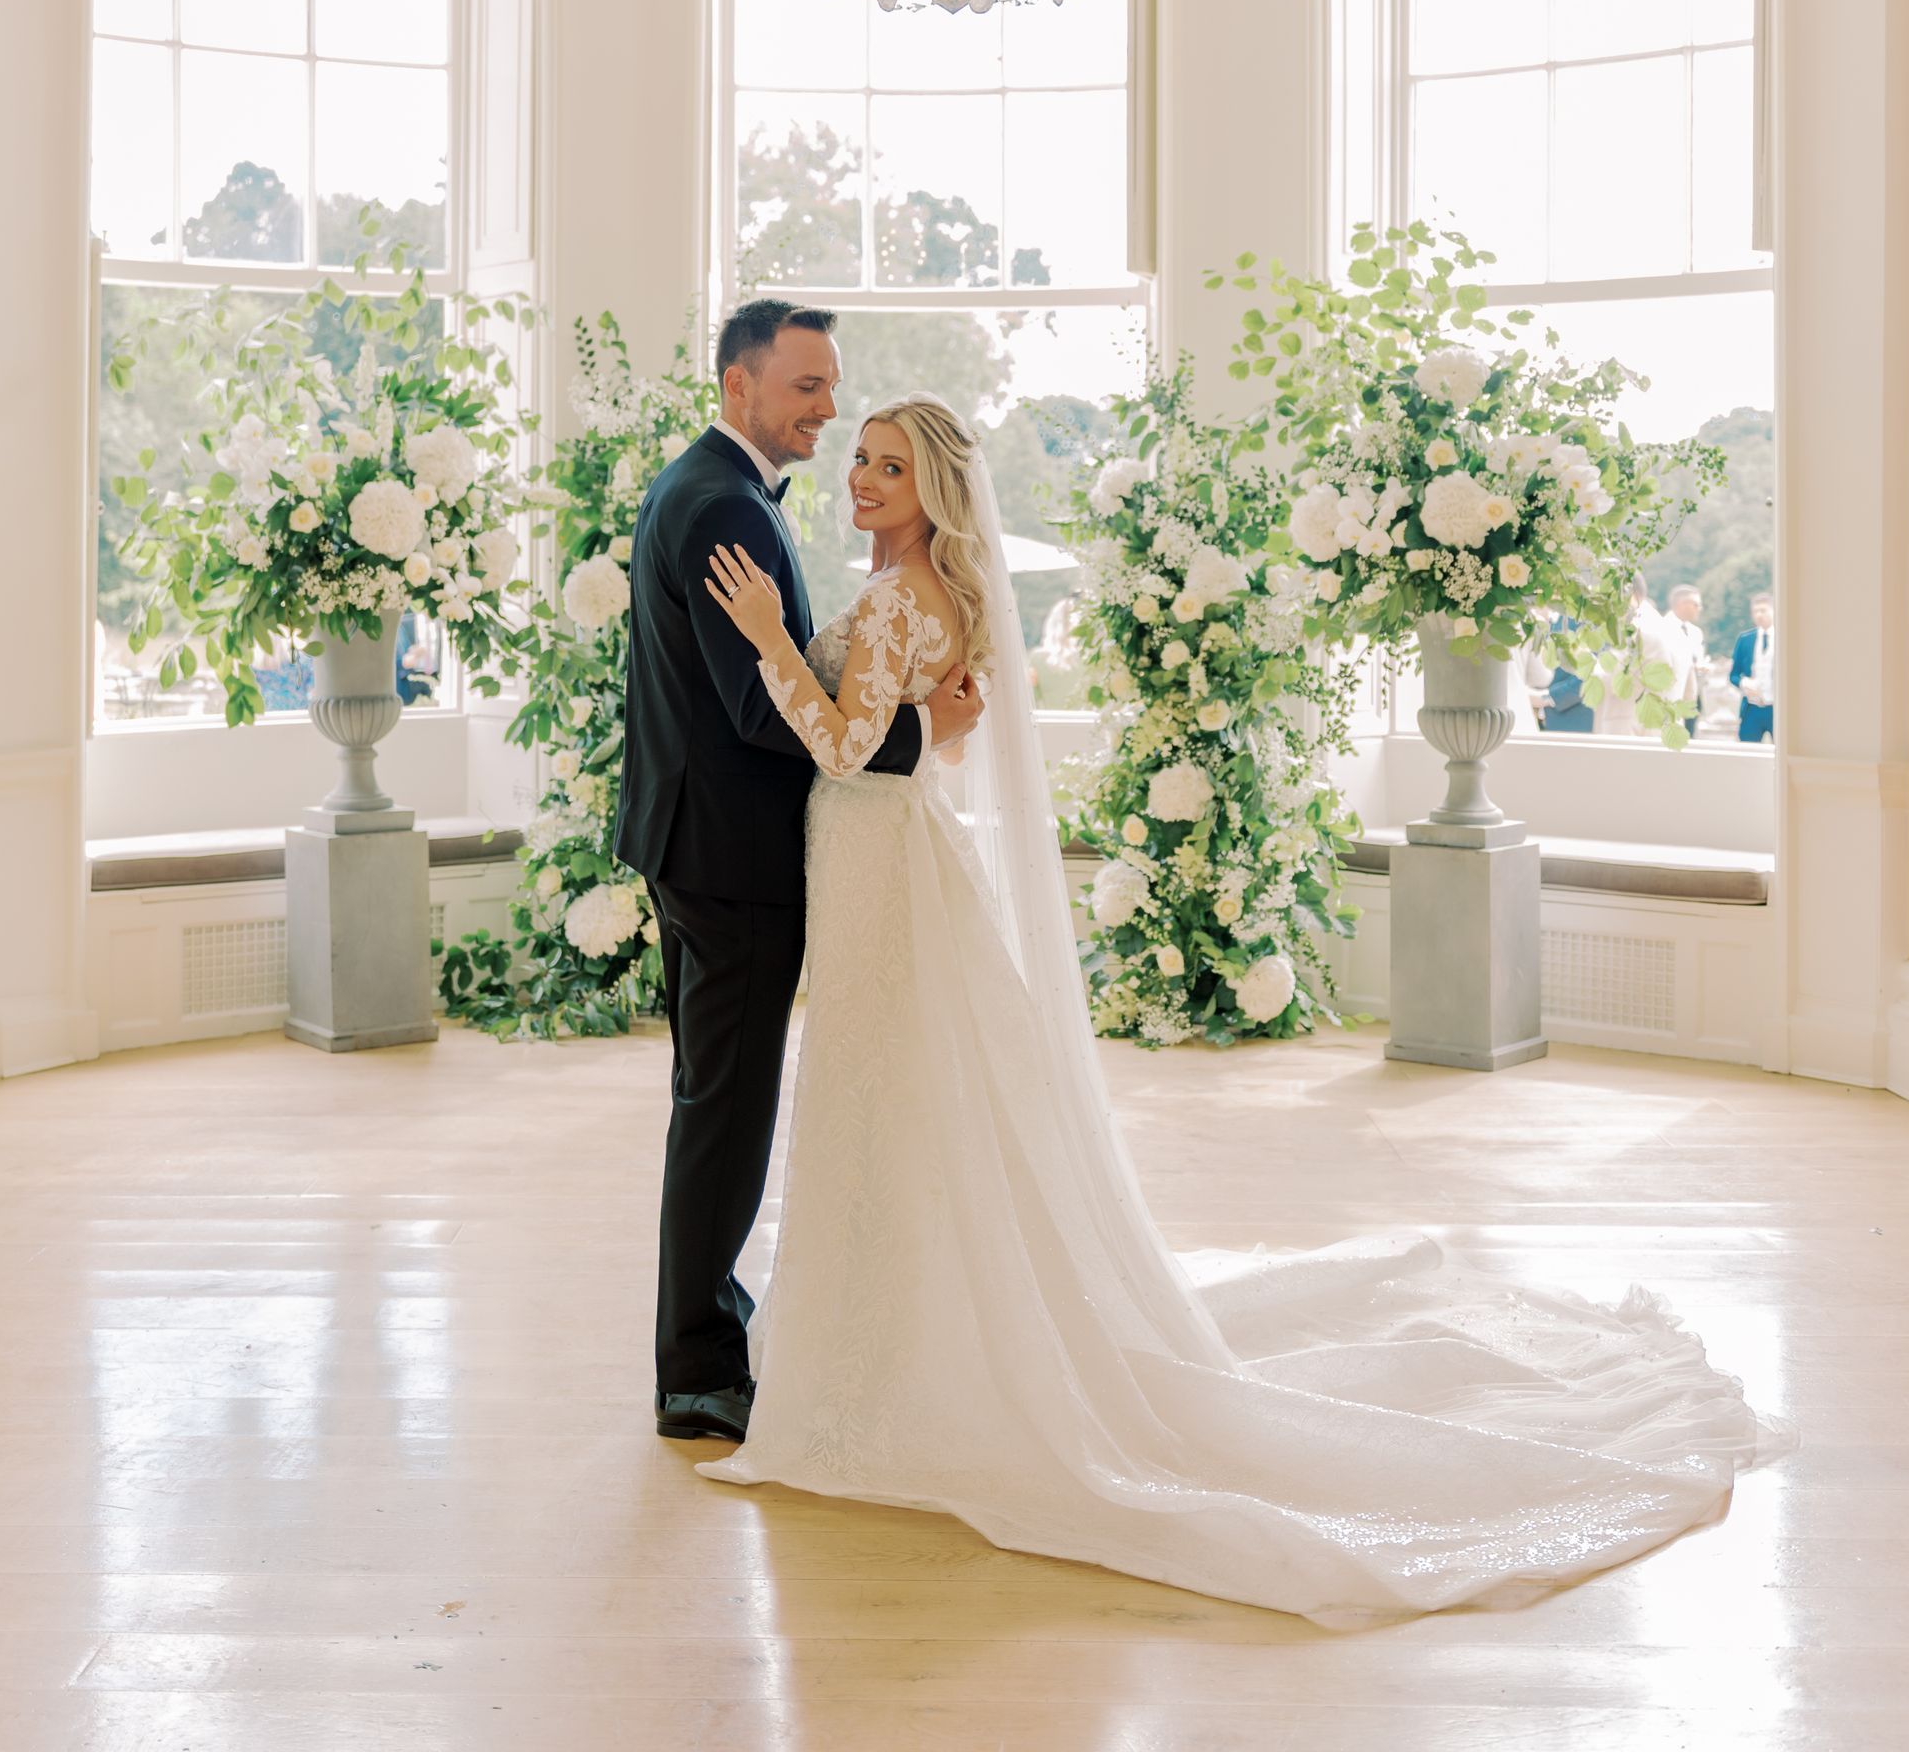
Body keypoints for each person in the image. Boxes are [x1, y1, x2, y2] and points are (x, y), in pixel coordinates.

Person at [692, 394, 1782, 1626]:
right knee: (904, 1103)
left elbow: (844, 751)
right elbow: (929, 742)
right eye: (859, 463)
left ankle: (891, 1361)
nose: (863, 483)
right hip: (892, 862)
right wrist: (897, 707)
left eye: (890, 468)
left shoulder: (901, 599)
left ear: (937, 487)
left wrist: (773, 636)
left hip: (880, 865)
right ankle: (896, 1339)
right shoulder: (938, 594)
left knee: (884, 1096)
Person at [615, 301, 983, 1444]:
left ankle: (715, 1321)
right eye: (807, 389)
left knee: (718, 1105)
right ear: (739, 387)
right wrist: (925, 734)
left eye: (836, 390)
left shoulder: (702, 487)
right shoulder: (725, 505)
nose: (826, 411)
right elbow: (761, 712)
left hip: (701, 841)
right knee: (726, 1113)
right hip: (732, 858)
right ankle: (696, 1372)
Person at [1729, 591, 1776, 743]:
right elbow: (1733, 675)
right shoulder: (1745, 639)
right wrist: (1744, 683)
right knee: (1746, 752)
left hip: (1778, 709)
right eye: (1755, 611)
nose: (1759, 615)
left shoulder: (1786, 637)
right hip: (1751, 709)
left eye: (1763, 610)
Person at [1665, 583, 1708, 738]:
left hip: (1693, 694)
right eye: (1696, 604)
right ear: (1681, 604)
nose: (1699, 608)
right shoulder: (1663, 628)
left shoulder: (1696, 632)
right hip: (1671, 695)